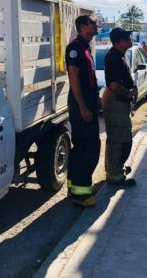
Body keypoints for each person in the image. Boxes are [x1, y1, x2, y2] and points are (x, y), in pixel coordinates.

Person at [65, 15, 101, 207]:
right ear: (84, 26)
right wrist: (83, 108)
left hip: (88, 103)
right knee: (88, 148)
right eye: (94, 23)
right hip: (82, 106)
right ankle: (81, 194)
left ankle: (75, 187)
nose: (96, 26)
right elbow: (74, 80)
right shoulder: (75, 48)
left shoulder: (85, 47)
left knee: (82, 148)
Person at [102, 28, 137, 187]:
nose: (129, 39)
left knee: (120, 137)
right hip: (115, 102)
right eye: (126, 37)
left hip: (119, 102)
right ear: (117, 42)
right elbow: (114, 85)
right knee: (118, 139)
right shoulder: (114, 58)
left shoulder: (119, 55)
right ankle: (115, 175)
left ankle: (116, 168)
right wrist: (128, 93)